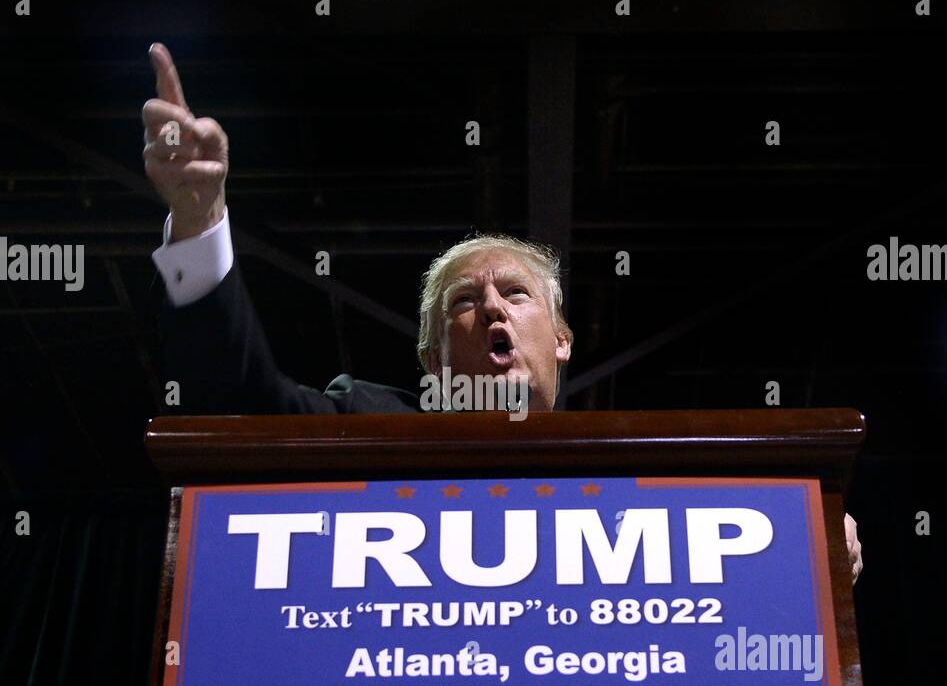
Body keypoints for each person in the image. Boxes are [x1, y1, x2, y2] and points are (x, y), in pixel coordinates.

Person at [143, 40, 863, 581]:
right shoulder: (358, 422)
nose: (491, 304)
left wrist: (806, 540)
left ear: (562, 341)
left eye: (515, 293)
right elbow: (233, 402)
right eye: (464, 301)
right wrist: (200, 219)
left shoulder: (642, 487)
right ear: (430, 360)